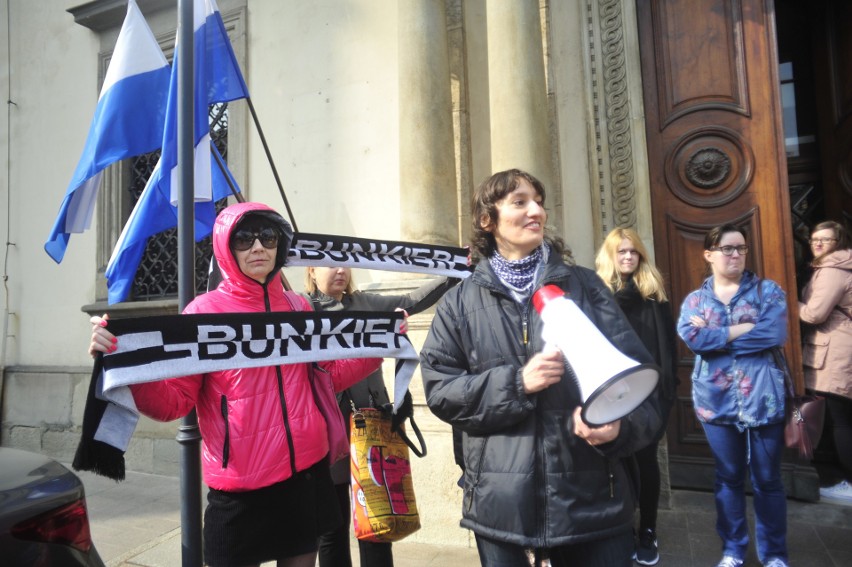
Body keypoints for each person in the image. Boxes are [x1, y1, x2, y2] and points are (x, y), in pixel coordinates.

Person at [88, 202, 383, 567]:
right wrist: (125, 365)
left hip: (305, 476)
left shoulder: (297, 308)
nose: (258, 247)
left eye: (268, 237)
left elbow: (326, 378)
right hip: (240, 487)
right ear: (227, 248)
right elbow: (175, 402)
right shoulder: (204, 312)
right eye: (244, 239)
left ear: (280, 247)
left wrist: (380, 345)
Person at [419, 168, 662, 567]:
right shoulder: (459, 302)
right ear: (487, 220)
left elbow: (641, 383)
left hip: (592, 503)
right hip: (501, 506)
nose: (536, 211)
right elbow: (441, 392)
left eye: (539, 202)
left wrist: (620, 427)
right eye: (519, 202)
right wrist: (517, 384)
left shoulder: (585, 287)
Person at [306, 266, 458, 567]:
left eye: (344, 264)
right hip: (328, 434)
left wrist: (452, 272)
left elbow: (413, 299)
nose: (340, 270)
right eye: (330, 264)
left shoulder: (366, 303)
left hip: (374, 429)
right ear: (311, 270)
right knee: (331, 530)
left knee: (378, 522)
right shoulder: (300, 309)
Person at [676, 224, 789, 567]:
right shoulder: (695, 300)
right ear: (709, 254)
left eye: (741, 248)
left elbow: (773, 334)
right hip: (715, 399)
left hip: (764, 398)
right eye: (727, 249)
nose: (736, 255)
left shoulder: (767, 292)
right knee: (728, 476)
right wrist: (740, 329)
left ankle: (774, 555)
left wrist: (717, 335)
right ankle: (733, 549)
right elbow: (693, 339)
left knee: (768, 478)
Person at [595, 227, 677, 566]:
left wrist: (666, 393)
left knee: (646, 462)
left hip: (650, 394)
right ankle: (621, 527)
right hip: (611, 391)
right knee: (617, 463)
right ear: (611, 256)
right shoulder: (597, 296)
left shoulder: (652, 296)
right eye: (622, 252)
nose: (629, 257)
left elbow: (667, 350)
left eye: (634, 252)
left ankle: (648, 530)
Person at [798, 220, 852, 505]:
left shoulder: (833, 269)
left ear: (838, 242)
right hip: (837, 348)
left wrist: (787, 302)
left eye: (825, 240)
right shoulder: (836, 266)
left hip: (835, 352)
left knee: (838, 418)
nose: (817, 244)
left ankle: (849, 481)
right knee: (835, 415)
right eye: (814, 239)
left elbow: (815, 314)